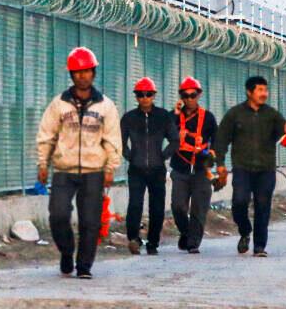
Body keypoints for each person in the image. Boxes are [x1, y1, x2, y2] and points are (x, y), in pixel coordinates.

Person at [36, 46, 122, 280]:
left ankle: (84, 266)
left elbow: (112, 139)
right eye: (77, 72)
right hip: (64, 170)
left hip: (94, 171)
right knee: (58, 214)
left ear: (93, 73)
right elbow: (47, 134)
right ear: (71, 75)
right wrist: (42, 163)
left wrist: (110, 167)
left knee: (90, 221)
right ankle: (66, 251)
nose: (82, 76)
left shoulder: (105, 106)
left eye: (86, 71)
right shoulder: (59, 105)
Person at [213, 75, 286, 258]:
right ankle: (245, 230)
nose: (264, 94)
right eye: (260, 90)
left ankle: (260, 246)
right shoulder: (235, 114)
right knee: (239, 202)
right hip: (242, 168)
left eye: (265, 90)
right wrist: (219, 163)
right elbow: (221, 140)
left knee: (263, 206)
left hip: (266, 170)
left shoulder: (272, 114)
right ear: (249, 92)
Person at [120, 76, 178, 255]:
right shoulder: (129, 118)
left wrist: (163, 156)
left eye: (148, 94)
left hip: (157, 169)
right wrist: (131, 157)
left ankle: (153, 243)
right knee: (135, 205)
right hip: (136, 170)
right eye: (140, 94)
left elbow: (175, 140)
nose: (144, 98)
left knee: (157, 207)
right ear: (136, 97)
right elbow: (120, 142)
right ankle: (133, 239)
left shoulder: (163, 117)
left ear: (154, 96)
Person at [170, 76, 218, 254]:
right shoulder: (174, 117)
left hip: (201, 170)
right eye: (186, 95)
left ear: (199, 95)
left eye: (193, 95)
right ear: (181, 97)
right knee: (178, 206)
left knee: (199, 207)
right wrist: (175, 114)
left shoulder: (208, 117)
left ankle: (193, 243)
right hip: (180, 168)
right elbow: (164, 130)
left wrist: (213, 154)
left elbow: (217, 139)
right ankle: (186, 232)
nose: (189, 99)